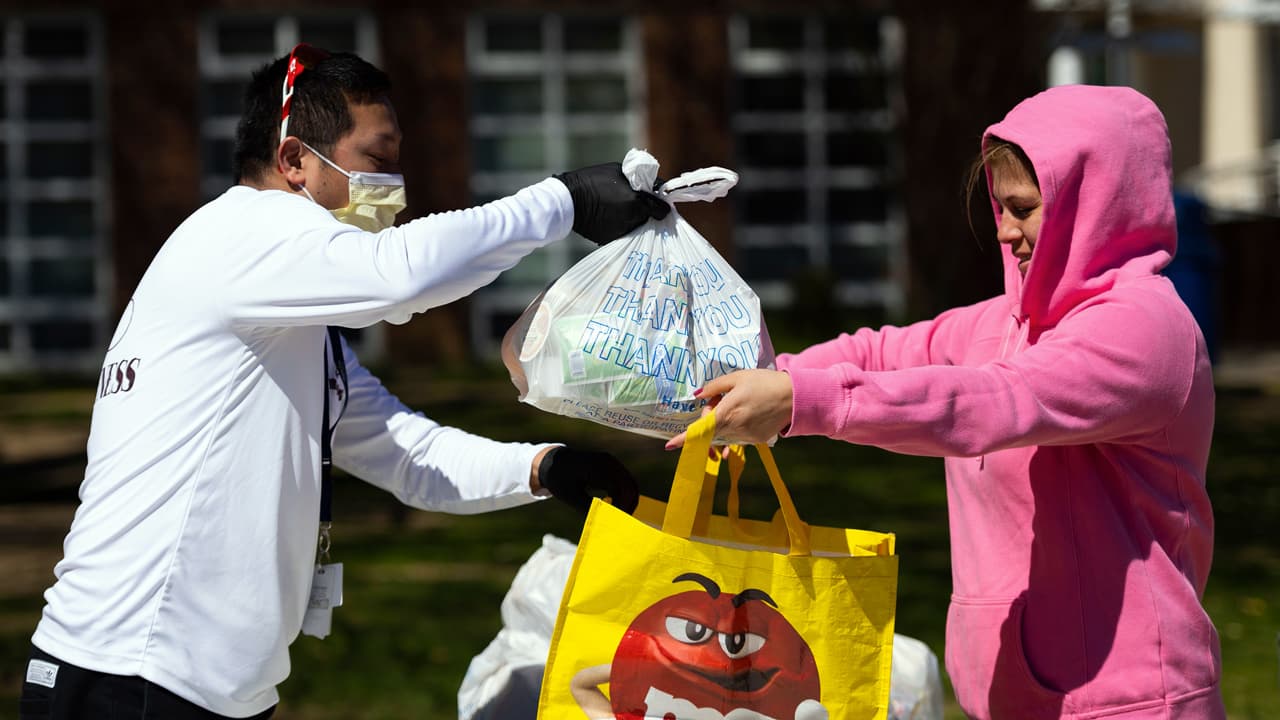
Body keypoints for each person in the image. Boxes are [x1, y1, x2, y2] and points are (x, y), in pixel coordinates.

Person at [19, 44, 664, 720]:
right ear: (295, 160)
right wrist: (564, 202)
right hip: (128, 678)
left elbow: (404, 452)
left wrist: (542, 467)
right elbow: (400, 276)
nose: (395, 186)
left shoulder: (286, 320)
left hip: (198, 690)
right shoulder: (240, 236)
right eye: (377, 161)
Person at [669, 85, 1225, 719]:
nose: (1006, 232)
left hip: (1131, 701)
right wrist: (744, 375)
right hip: (1012, 698)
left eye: (1026, 208)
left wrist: (802, 402)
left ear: (1093, 206)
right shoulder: (1002, 322)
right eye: (1000, 207)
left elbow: (995, 402)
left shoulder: (1145, 331)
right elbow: (880, 354)